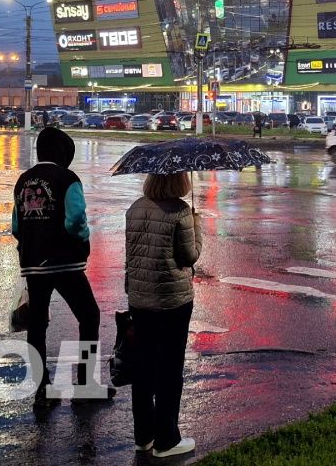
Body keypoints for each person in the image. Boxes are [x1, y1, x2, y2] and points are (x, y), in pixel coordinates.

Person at [12, 126, 103, 404]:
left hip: (33, 264)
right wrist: (83, 238)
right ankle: (85, 385)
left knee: (37, 325)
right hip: (65, 262)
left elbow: (16, 226)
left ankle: (43, 390)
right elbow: (75, 219)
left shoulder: (23, 181)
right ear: (63, 152)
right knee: (89, 316)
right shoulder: (68, 179)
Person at [125, 172, 202, 458]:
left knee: (143, 367)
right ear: (179, 180)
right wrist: (197, 227)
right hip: (172, 302)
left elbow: (131, 255)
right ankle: (166, 440)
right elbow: (189, 257)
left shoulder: (134, 208)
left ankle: (143, 436)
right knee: (169, 368)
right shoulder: (180, 212)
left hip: (139, 299)